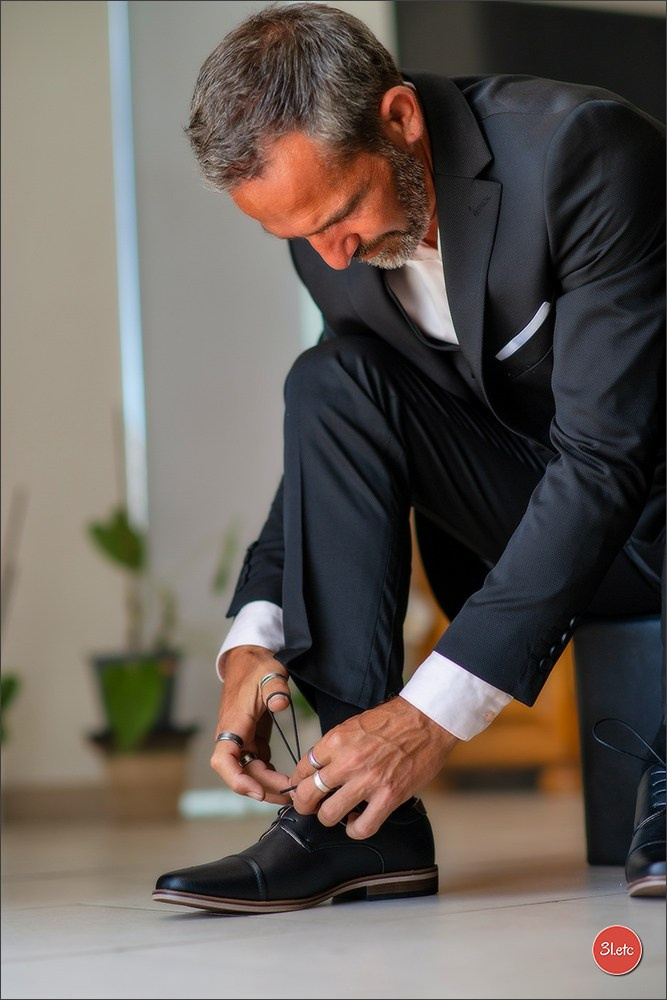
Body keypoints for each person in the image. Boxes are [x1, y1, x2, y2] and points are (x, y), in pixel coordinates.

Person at [153, 2, 665, 913]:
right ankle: (356, 820)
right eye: (298, 236)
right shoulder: (329, 242)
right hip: (541, 530)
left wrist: (430, 713)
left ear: (398, 118)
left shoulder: (583, 154)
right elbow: (346, 425)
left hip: (641, 506)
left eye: (341, 213)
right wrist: (251, 636)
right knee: (330, 377)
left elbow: (603, 460)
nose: (331, 254)